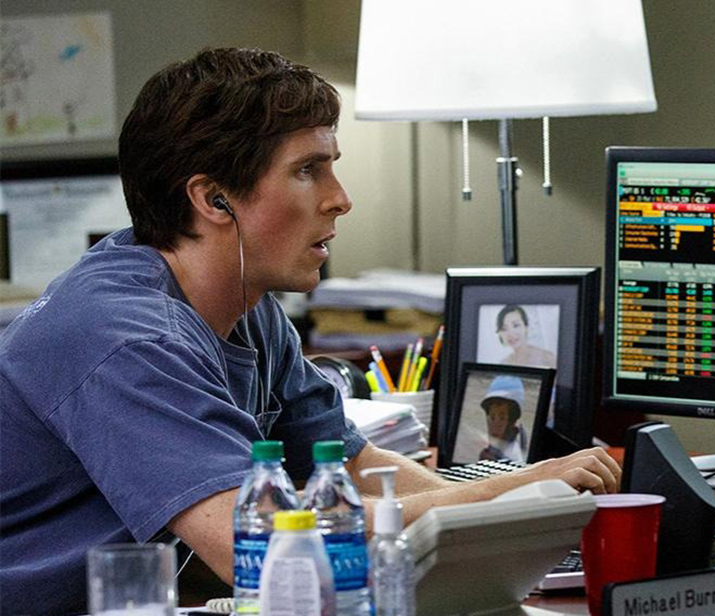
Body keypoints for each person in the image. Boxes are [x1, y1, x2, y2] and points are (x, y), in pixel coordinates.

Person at [0, 48, 620, 615]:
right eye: (308, 170)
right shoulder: (125, 336)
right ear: (214, 200)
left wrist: (515, 516)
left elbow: (351, 465)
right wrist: (517, 489)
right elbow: (256, 544)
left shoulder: (247, 304)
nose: (340, 198)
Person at [478, 376, 529, 462]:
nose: (495, 425)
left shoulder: (515, 456)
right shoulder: (493, 449)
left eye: (502, 418)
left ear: (512, 421)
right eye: (492, 418)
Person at [495, 304, 557, 369]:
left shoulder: (547, 358)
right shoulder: (503, 363)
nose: (511, 334)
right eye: (504, 329)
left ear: (526, 327)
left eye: (516, 325)